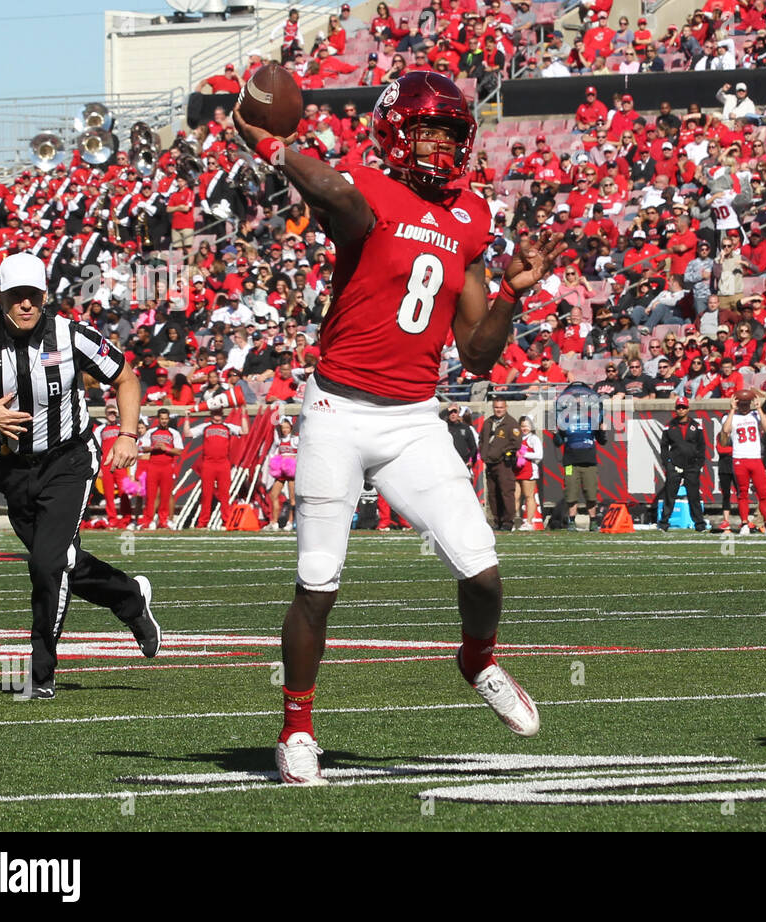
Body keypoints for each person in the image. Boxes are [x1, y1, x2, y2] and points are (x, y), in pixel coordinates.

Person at [235, 71, 562, 784]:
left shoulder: (469, 217)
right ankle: (296, 727)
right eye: (426, 128)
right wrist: (272, 147)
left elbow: (476, 352)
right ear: (393, 129)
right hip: (338, 413)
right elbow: (340, 199)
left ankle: (477, 658)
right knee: (318, 583)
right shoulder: (366, 189)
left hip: (414, 418)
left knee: (483, 571)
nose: (439, 142)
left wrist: (510, 293)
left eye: (451, 131)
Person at [0, 252, 160, 699]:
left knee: (47, 564)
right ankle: (130, 598)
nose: (26, 305)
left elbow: (126, 377)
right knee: (62, 561)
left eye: (33, 295)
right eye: (16, 296)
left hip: (69, 460)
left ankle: (40, 673)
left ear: (45, 295)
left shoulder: (70, 334)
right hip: (14, 468)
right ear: (0, 297)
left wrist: (127, 434)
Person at [722, 389, 766, 534]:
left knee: (763, 493)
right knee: (743, 493)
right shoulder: (731, 416)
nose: (744, 407)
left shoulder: (755, 414)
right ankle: (744, 524)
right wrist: (732, 409)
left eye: (746, 404)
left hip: (755, 458)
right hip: (739, 458)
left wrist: (759, 408)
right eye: (741, 404)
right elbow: (726, 430)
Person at [182, 407, 248, 529]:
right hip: (208, 463)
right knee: (206, 494)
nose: (217, 417)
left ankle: (226, 521)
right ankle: (203, 522)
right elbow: (188, 433)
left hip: (223, 463)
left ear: (222, 415)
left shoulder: (228, 427)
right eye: (215, 414)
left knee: (224, 494)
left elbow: (244, 431)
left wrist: (243, 415)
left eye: (219, 415)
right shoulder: (205, 426)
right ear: (211, 415)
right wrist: (187, 417)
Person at [553, 381, 606, 531]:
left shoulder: (592, 420)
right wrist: (556, 434)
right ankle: (571, 521)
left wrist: (602, 431)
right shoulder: (564, 420)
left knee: (591, 493)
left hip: (588, 462)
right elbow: (558, 443)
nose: (578, 402)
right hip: (570, 462)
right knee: (571, 493)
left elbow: (602, 441)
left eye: (580, 400)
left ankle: (593, 521)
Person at [657, 395, 707, 531]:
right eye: (679, 407)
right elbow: (664, 446)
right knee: (669, 495)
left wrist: (699, 464)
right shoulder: (669, 426)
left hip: (692, 466)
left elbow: (702, 446)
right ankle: (663, 523)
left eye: (683, 407)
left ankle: (699, 524)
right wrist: (667, 463)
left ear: (688, 408)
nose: (681, 410)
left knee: (694, 496)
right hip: (675, 465)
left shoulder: (696, 426)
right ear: (675, 409)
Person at [479, 397, 521, 530]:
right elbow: (481, 439)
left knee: (506, 492)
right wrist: (484, 453)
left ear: (506, 407)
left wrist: (504, 453)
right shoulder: (488, 422)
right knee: (492, 493)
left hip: (503, 463)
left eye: (501, 407)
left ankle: (508, 521)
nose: (499, 410)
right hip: (489, 463)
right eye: (496, 407)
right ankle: (496, 520)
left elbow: (516, 443)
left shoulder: (511, 423)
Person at [139, 408, 183, 529]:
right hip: (153, 465)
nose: (164, 421)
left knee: (165, 495)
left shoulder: (174, 433)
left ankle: (163, 521)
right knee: (151, 495)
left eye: (166, 419)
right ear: (158, 419)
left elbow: (179, 451)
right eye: (162, 419)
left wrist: (166, 448)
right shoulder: (151, 432)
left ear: (168, 419)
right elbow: (143, 447)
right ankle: (148, 520)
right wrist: (154, 447)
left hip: (167, 465)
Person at [267, 416, 299, 531]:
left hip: (291, 471)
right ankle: (274, 522)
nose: (285, 429)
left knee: (292, 498)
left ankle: (290, 522)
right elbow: (274, 452)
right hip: (281, 470)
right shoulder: (279, 440)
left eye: (287, 427)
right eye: (283, 427)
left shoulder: (295, 440)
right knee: (273, 495)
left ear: (291, 427)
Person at [516, 415, 543, 530]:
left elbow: (539, 455)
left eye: (527, 426)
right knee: (515, 496)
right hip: (516, 470)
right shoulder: (518, 438)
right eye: (522, 426)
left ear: (531, 426)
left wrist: (523, 454)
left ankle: (529, 522)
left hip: (529, 470)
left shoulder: (533, 439)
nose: (524, 428)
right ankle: (514, 521)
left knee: (528, 496)